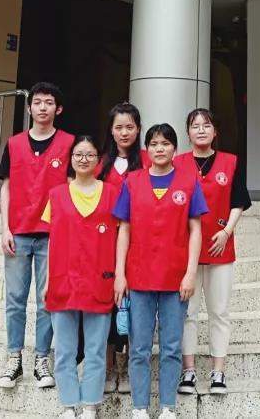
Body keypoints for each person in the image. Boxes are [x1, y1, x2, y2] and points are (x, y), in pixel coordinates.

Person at [113, 123, 207, 419]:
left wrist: (190, 273)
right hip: (139, 277)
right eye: (153, 144)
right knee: (139, 347)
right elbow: (124, 229)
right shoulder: (132, 181)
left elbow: (196, 230)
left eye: (165, 143)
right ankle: (139, 408)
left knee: (171, 347)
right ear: (147, 149)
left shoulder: (188, 181)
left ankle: (168, 407)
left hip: (175, 278)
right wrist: (120, 274)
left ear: (175, 149)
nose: (159, 149)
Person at [0, 82, 74, 390]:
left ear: (59, 109)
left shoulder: (69, 144)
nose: (43, 107)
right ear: (29, 108)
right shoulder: (14, 144)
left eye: (49, 102)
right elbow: (6, 187)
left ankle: (42, 359)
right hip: (17, 232)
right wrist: (5, 228)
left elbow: (73, 189)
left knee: (47, 300)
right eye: (38, 102)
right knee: (15, 299)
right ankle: (14, 358)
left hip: (52, 234)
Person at [41, 136, 122, 419]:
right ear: (71, 158)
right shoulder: (56, 195)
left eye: (89, 154)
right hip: (63, 279)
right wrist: (47, 280)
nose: (83, 159)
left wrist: (120, 275)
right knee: (64, 350)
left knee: (96, 349)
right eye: (78, 154)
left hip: (99, 279)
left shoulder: (112, 194)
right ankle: (68, 405)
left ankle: (90, 405)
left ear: (99, 160)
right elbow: (51, 241)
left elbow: (122, 236)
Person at [175, 108, 252, 396]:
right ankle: (189, 371)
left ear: (215, 131)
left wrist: (227, 231)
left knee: (219, 311)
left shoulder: (230, 162)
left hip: (220, 246)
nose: (201, 130)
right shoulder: (177, 163)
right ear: (188, 132)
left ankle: (218, 371)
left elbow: (238, 201)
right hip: (186, 250)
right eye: (195, 125)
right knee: (188, 312)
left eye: (206, 125)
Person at [95, 103, 145, 394]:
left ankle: (126, 367)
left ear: (138, 129)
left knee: (133, 306)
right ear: (111, 131)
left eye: (129, 127)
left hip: (139, 243)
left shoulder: (148, 161)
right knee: (107, 304)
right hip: (104, 243)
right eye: (118, 127)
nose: (124, 132)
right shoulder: (100, 162)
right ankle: (108, 364)